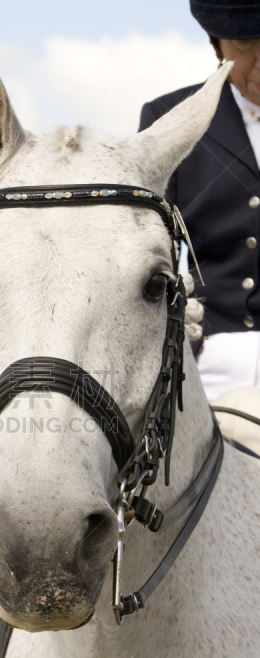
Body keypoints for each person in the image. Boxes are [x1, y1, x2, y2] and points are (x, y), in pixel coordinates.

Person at [138, 0, 260, 403]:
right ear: (218, 45)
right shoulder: (168, 118)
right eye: (244, 46)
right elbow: (148, 250)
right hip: (214, 356)